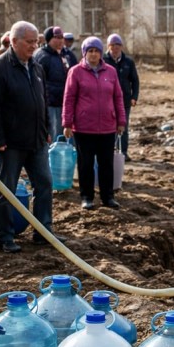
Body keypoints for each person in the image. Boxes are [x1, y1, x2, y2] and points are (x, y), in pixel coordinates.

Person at [0, 21, 63, 253]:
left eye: (36, 41)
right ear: (14, 41)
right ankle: (6, 236)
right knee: (7, 190)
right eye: (29, 42)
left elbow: (43, 100)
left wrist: (46, 129)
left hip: (37, 140)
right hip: (11, 144)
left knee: (45, 184)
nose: (33, 46)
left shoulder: (36, 67)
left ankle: (43, 232)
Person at [62, 37, 127, 210]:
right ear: (84, 53)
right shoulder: (75, 72)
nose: (93, 54)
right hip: (84, 127)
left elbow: (118, 97)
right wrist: (67, 123)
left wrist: (121, 120)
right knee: (86, 164)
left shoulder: (111, 72)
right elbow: (69, 99)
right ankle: (87, 197)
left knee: (106, 163)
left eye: (96, 51)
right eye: (90, 51)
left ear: (101, 53)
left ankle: (108, 197)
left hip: (107, 126)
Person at [104, 33, 140, 160]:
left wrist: (134, 96)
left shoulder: (128, 62)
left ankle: (123, 152)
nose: (115, 48)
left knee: (123, 126)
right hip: (107, 100)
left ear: (121, 46)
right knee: (108, 126)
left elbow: (135, 80)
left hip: (124, 100)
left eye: (118, 45)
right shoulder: (103, 61)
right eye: (112, 45)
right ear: (108, 46)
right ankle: (109, 151)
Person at [32, 25, 69, 141]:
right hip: (50, 104)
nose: (59, 41)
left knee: (62, 135)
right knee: (52, 136)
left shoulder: (64, 55)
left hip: (63, 102)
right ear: (49, 40)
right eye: (56, 38)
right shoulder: (42, 56)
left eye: (61, 37)